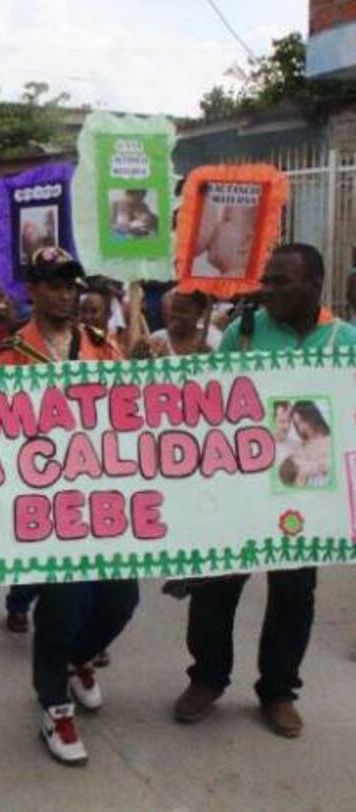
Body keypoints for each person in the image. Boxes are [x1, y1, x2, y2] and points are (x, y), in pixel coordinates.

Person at [174, 244, 356, 739]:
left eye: (280, 282)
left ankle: (277, 691)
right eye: (267, 280)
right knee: (215, 588)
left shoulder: (346, 342)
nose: (267, 290)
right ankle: (207, 678)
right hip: (241, 487)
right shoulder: (244, 333)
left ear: (314, 285)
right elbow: (216, 404)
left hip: (306, 492)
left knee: (294, 595)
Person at [0, 247, 135, 767]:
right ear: (32, 290)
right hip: (43, 503)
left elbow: (127, 414)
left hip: (102, 495)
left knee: (121, 597)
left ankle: (79, 659)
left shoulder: (103, 346)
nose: (65, 294)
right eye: (53, 284)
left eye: (71, 285)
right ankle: (53, 702)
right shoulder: (7, 356)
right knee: (64, 603)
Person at [132, 289, 218, 358]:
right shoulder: (157, 339)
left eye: (184, 311)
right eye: (174, 309)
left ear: (200, 313)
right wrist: (140, 355)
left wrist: (209, 359)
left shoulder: (212, 339)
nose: (176, 315)